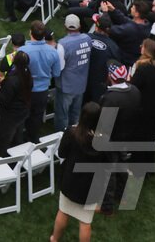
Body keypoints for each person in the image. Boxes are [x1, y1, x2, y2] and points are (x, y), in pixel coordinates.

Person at [51, 102, 111, 242]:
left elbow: (62, 153)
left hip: (70, 182)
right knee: (85, 222)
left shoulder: (71, 133)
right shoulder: (104, 140)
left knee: (63, 212)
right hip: (90, 188)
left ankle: (54, 239)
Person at [21, 20, 63, 140]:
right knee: (36, 117)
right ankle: (32, 139)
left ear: (30, 33)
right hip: (42, 90)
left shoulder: (23, 51)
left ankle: (20, 141)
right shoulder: (53, 52)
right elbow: (56, 73)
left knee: (22, 116)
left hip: (26, 90)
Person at [57, 14, 92, 130]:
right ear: (80, 26)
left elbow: (59, 67)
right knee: (76, 114)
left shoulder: (63, 43)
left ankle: (63, 137)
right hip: (81, 83)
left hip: (66, 85)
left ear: (65, 27)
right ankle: (74, 136)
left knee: (63, 116)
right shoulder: (88, 39)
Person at [0, 46, 32, 151]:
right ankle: (18, 149)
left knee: (5, 137)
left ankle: (4, 154)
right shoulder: (27, 74)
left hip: (11, 114)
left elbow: (4, 100)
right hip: (23, 110)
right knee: (18, 133)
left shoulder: (12, 81)